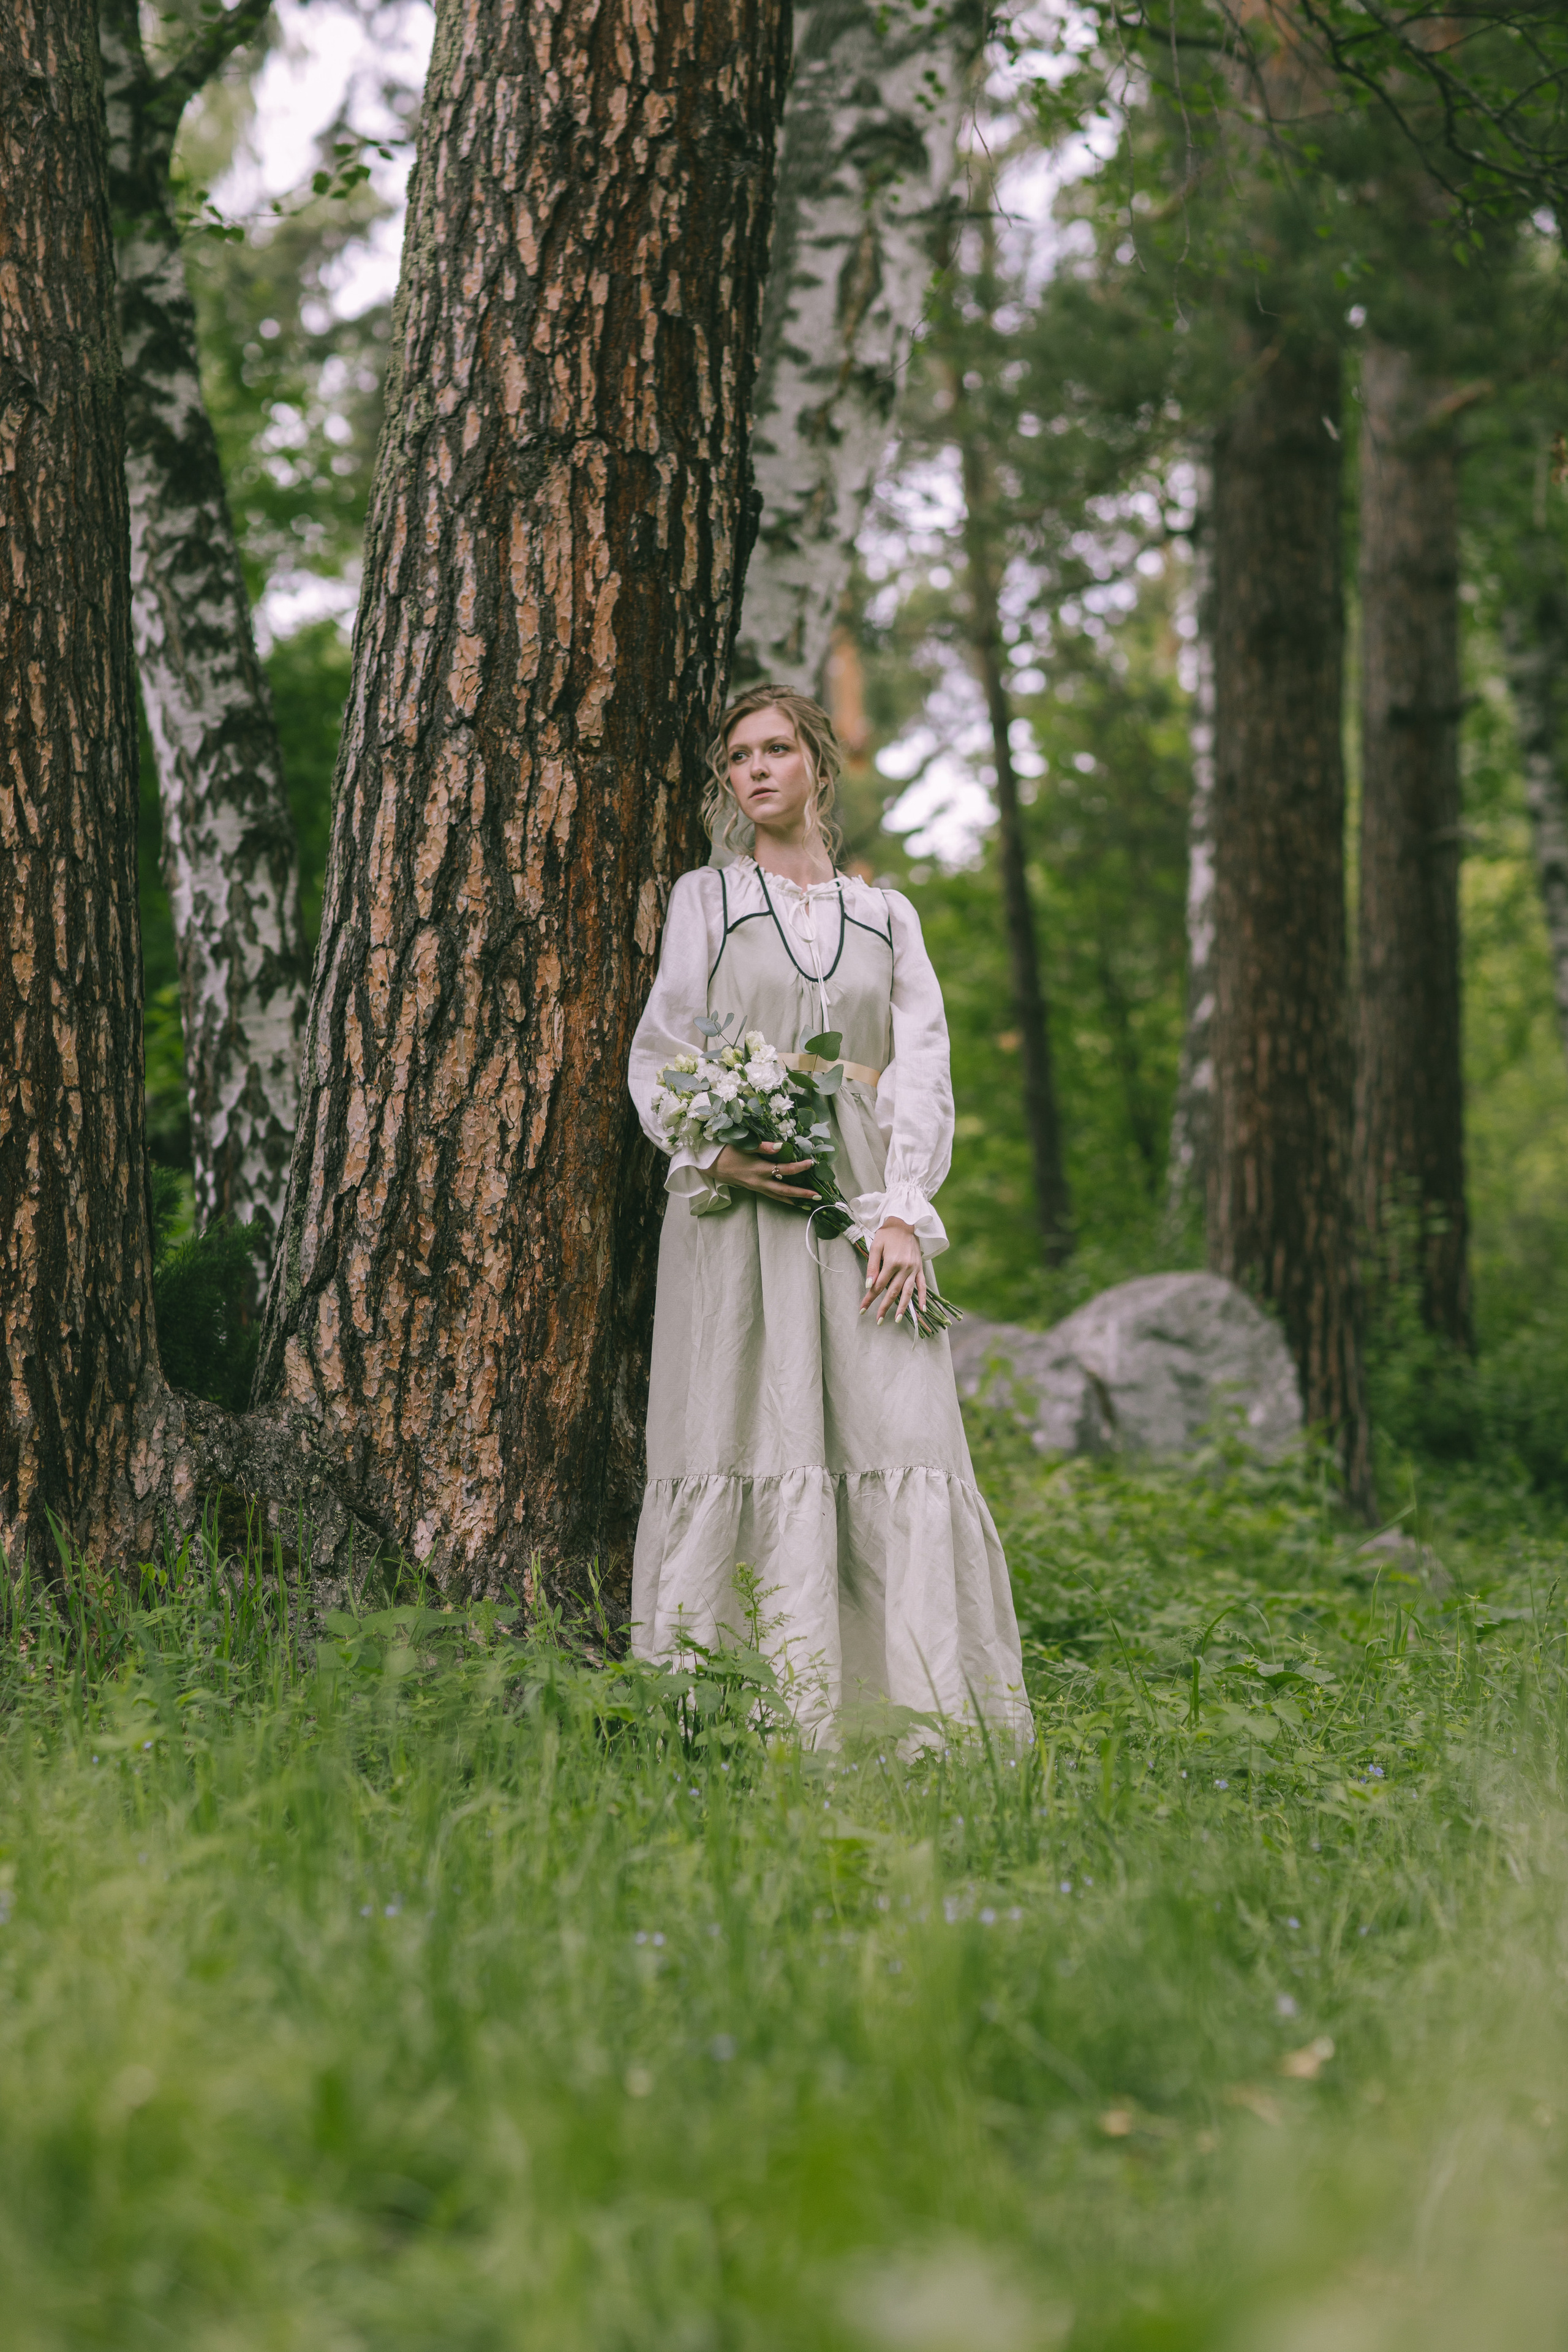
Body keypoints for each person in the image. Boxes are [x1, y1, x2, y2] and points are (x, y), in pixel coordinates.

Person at [627, 684, 1028, 1741]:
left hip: (861, 1202)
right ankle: (732, 1720)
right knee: (746, 1423)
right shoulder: (707, 899)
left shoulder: (886, 915)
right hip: (738, 1208)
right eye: (737, 758)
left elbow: (922, 1066)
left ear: (817, 761)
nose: (754, 771)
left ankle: (920, 1724)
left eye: (774, 750)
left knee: (901, 1427)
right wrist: (715, 1150)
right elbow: (663, 1044)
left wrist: (903, 1213)